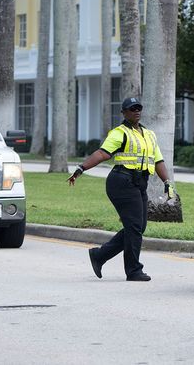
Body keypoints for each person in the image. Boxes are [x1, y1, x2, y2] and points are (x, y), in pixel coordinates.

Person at [67, 97, 173, 282]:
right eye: (132, 109)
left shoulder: (149, 134)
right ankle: (133, 270)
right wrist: (81, 168)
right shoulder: (119, 133)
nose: (136, 111)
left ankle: (100, 255)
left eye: (138, 108)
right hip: (121, 182)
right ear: (124, 112)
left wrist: (167, 182)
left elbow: (158, 160)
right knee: (134, 227)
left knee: (139, 227)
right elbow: (102, 153)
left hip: (139, 183)